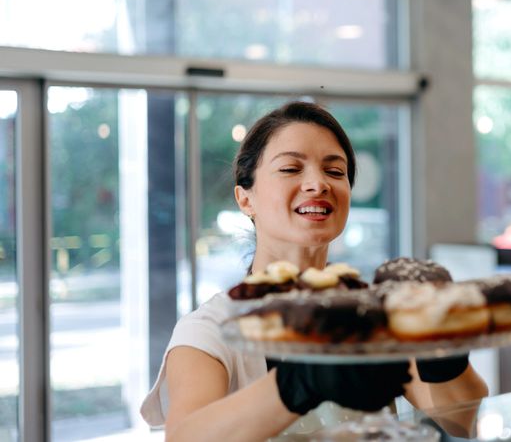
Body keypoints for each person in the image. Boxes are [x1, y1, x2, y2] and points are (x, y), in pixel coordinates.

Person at [140, 101, 488, 441]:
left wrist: (444, 354)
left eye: (335, 172)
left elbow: (461, 420)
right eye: (291, 169)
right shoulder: (209, 330)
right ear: (246, 199)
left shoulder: (371, 315)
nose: (318, 184)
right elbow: (185, 436)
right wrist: (298, 383)